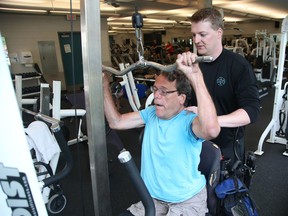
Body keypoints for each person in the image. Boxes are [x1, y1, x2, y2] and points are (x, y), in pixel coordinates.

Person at [103, 52, 220, 216]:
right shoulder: (150, 113)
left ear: (181, 97)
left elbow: (211, 130)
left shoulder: (189, 120)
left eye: (164, 91)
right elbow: (116, 122)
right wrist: (103, 85)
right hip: (153, 200)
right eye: (155, 89)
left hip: (186, 201)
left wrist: (196, 76)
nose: (156, 95)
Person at [186, 7, 260, 168]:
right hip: (194, 141)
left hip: (226, 147)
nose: (196, 40)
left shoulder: (237, 65)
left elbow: (252, 111)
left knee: (221, 192)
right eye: (194, 34)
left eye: (202, 34)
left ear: (219, 33)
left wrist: (211, 121)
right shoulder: (195, 65)